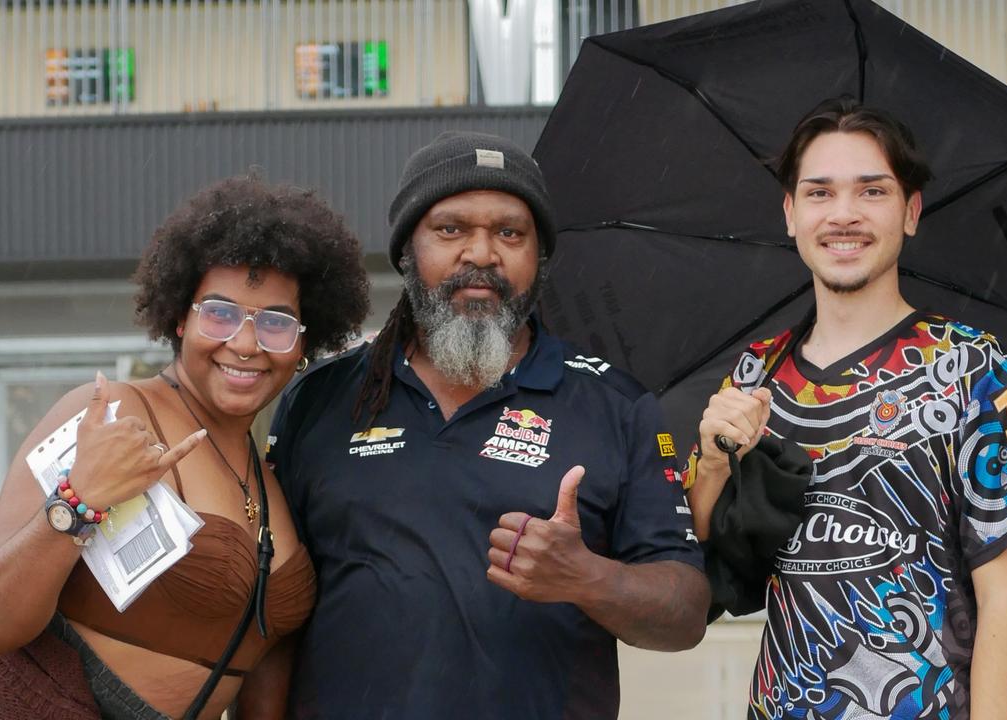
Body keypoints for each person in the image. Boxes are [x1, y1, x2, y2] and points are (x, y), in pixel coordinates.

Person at [264, 131, 709, 719]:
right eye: (451, 229)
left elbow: (684, 615)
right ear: (406, 252)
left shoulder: (616, 405)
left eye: (510, 232)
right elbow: (273, 611)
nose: (481, 253)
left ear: (538, 258)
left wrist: (586, 577)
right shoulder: (318, 399)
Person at [0, 175, 370, 720]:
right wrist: (79, 501)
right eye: (218, 313)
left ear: (303, 343)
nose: (245, 344)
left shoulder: (274, 475)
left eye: (275, 322)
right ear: (179, 316)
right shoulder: (109, 415)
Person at [684, 97, 1007, 719]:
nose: (844, 215)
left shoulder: (970, 367)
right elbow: (709, 559)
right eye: (819, 193)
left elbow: (1005, 598)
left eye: (872, 191)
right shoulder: (755, 372)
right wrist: (711, 463)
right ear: (790, 213)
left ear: (910, 211)